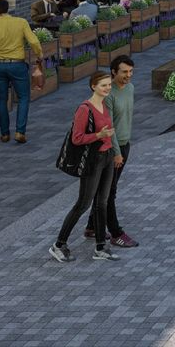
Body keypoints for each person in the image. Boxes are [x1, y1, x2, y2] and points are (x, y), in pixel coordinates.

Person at [49, 72, 119, 263]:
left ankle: (100, 248)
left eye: (109, 85)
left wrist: (110, 145)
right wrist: (98, 135)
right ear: (93, 86)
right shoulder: (84, 109)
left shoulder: (104, 105)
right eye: (103, 85)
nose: (107, 88)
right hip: (93, 160)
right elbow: (77, 138)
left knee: (102, 203)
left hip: (107, 157)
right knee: (83, 203)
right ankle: (59, 245)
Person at [85, 57, 139, 250]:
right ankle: (116, 233)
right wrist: (116, 153)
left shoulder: (131, 89)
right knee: (109, 192)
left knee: (105, 189)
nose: (128, 76)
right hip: (111, 149)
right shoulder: (108, 95)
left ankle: (92, 226)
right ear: (114, 72)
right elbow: (109, 127)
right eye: (124, 72)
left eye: (131, 71)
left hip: (125, 145)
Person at [0, 0, 45, 144]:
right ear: (8, 9)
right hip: (17, 65)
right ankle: (20, 132)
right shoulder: (21, 23)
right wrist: (39, 55)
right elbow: (33, 41)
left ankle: (4, 134)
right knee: (23, 98)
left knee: (1, 100)